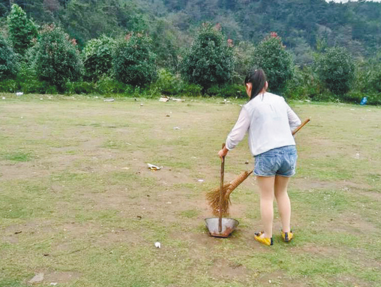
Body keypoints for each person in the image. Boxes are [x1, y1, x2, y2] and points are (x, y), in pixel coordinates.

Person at [218, 69, 301, 246]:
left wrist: (225, 150)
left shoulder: (250, 107)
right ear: (266, 85)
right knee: (282, 193)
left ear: (249, 86)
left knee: (266, 197)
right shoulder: (279, 100)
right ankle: (286, 232)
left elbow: (236, 135)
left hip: (267, 154)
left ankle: (267, 235)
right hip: (289, 150)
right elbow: (296, 122)